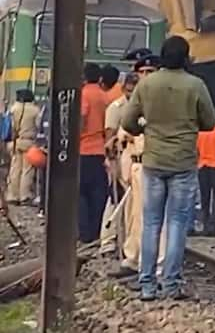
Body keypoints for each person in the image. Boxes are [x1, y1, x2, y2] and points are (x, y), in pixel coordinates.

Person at [123, 35, 215, 301]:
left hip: (153, 161)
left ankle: (147, 285)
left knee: (151, 223)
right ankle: (172, 284)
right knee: (176, 223)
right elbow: (209, 123)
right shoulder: (195, 85)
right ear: (186, 57)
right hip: (184, 163)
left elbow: (129, 122)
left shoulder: (147, 84)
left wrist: (148, 127)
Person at [108, 60, 166, 281]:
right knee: (133, 215)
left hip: (150, 161)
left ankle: (154, 265)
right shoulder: (135, 102)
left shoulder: (160, 100)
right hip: (132, 163)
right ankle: (132, 258)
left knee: (150, 216)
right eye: (141, 72)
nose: (145, 75)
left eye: (150, 71)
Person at [100, 73, 138, 255]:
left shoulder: (140, 106)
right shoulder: (116, 107)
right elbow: (109, 136)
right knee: (115, 199)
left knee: (130, 204)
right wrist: (111, 162)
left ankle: (126, 241)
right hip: (119, 158)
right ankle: (107, 240)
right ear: (123, 89)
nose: (131, 93)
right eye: (129, 89)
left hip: (134, 160)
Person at [80, 64, 109, 244]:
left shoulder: (84, 94)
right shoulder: (104, 96)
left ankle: (85, 233)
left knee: (81, 193)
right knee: (98, 194)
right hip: (101, 150)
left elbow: (82, 117)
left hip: (84, 149)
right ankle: (97, 231)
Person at [7, 89, 41, 206]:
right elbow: (38, 126)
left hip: (15, 142)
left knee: (15, 169)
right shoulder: (35, 110)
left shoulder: (13, 109)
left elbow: (10, 127)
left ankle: (12, 194)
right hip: (29, 142)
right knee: (27, 170)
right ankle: (24, 195)